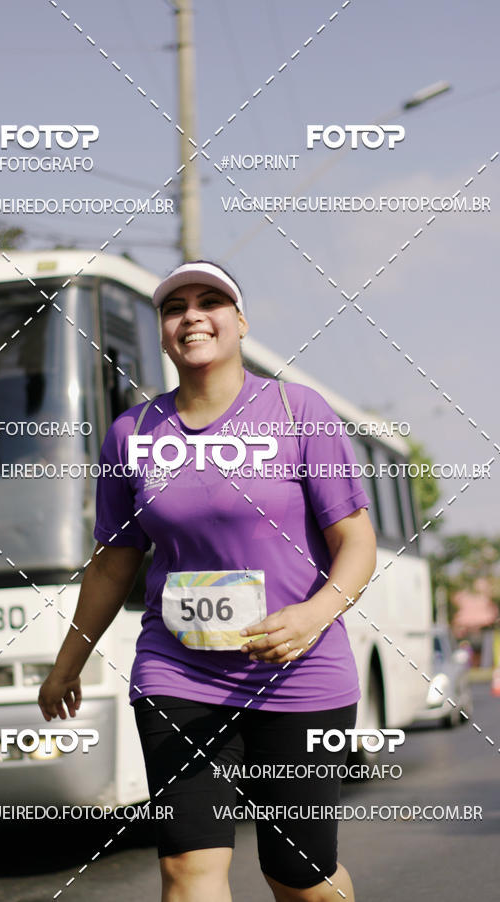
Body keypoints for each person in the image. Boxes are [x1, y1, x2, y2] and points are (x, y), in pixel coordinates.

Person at [38, 260, 377, 902]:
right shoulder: (132, 433)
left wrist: (311, 617)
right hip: (178, 672)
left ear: (239, 322)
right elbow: (114, 562)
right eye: (175, 307)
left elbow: (356, 543)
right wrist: (66, 664)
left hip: (299, 672)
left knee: (297, 871)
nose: (192, 315)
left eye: (211, 301)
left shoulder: (296, 409)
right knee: (187, 866)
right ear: (164, 333)